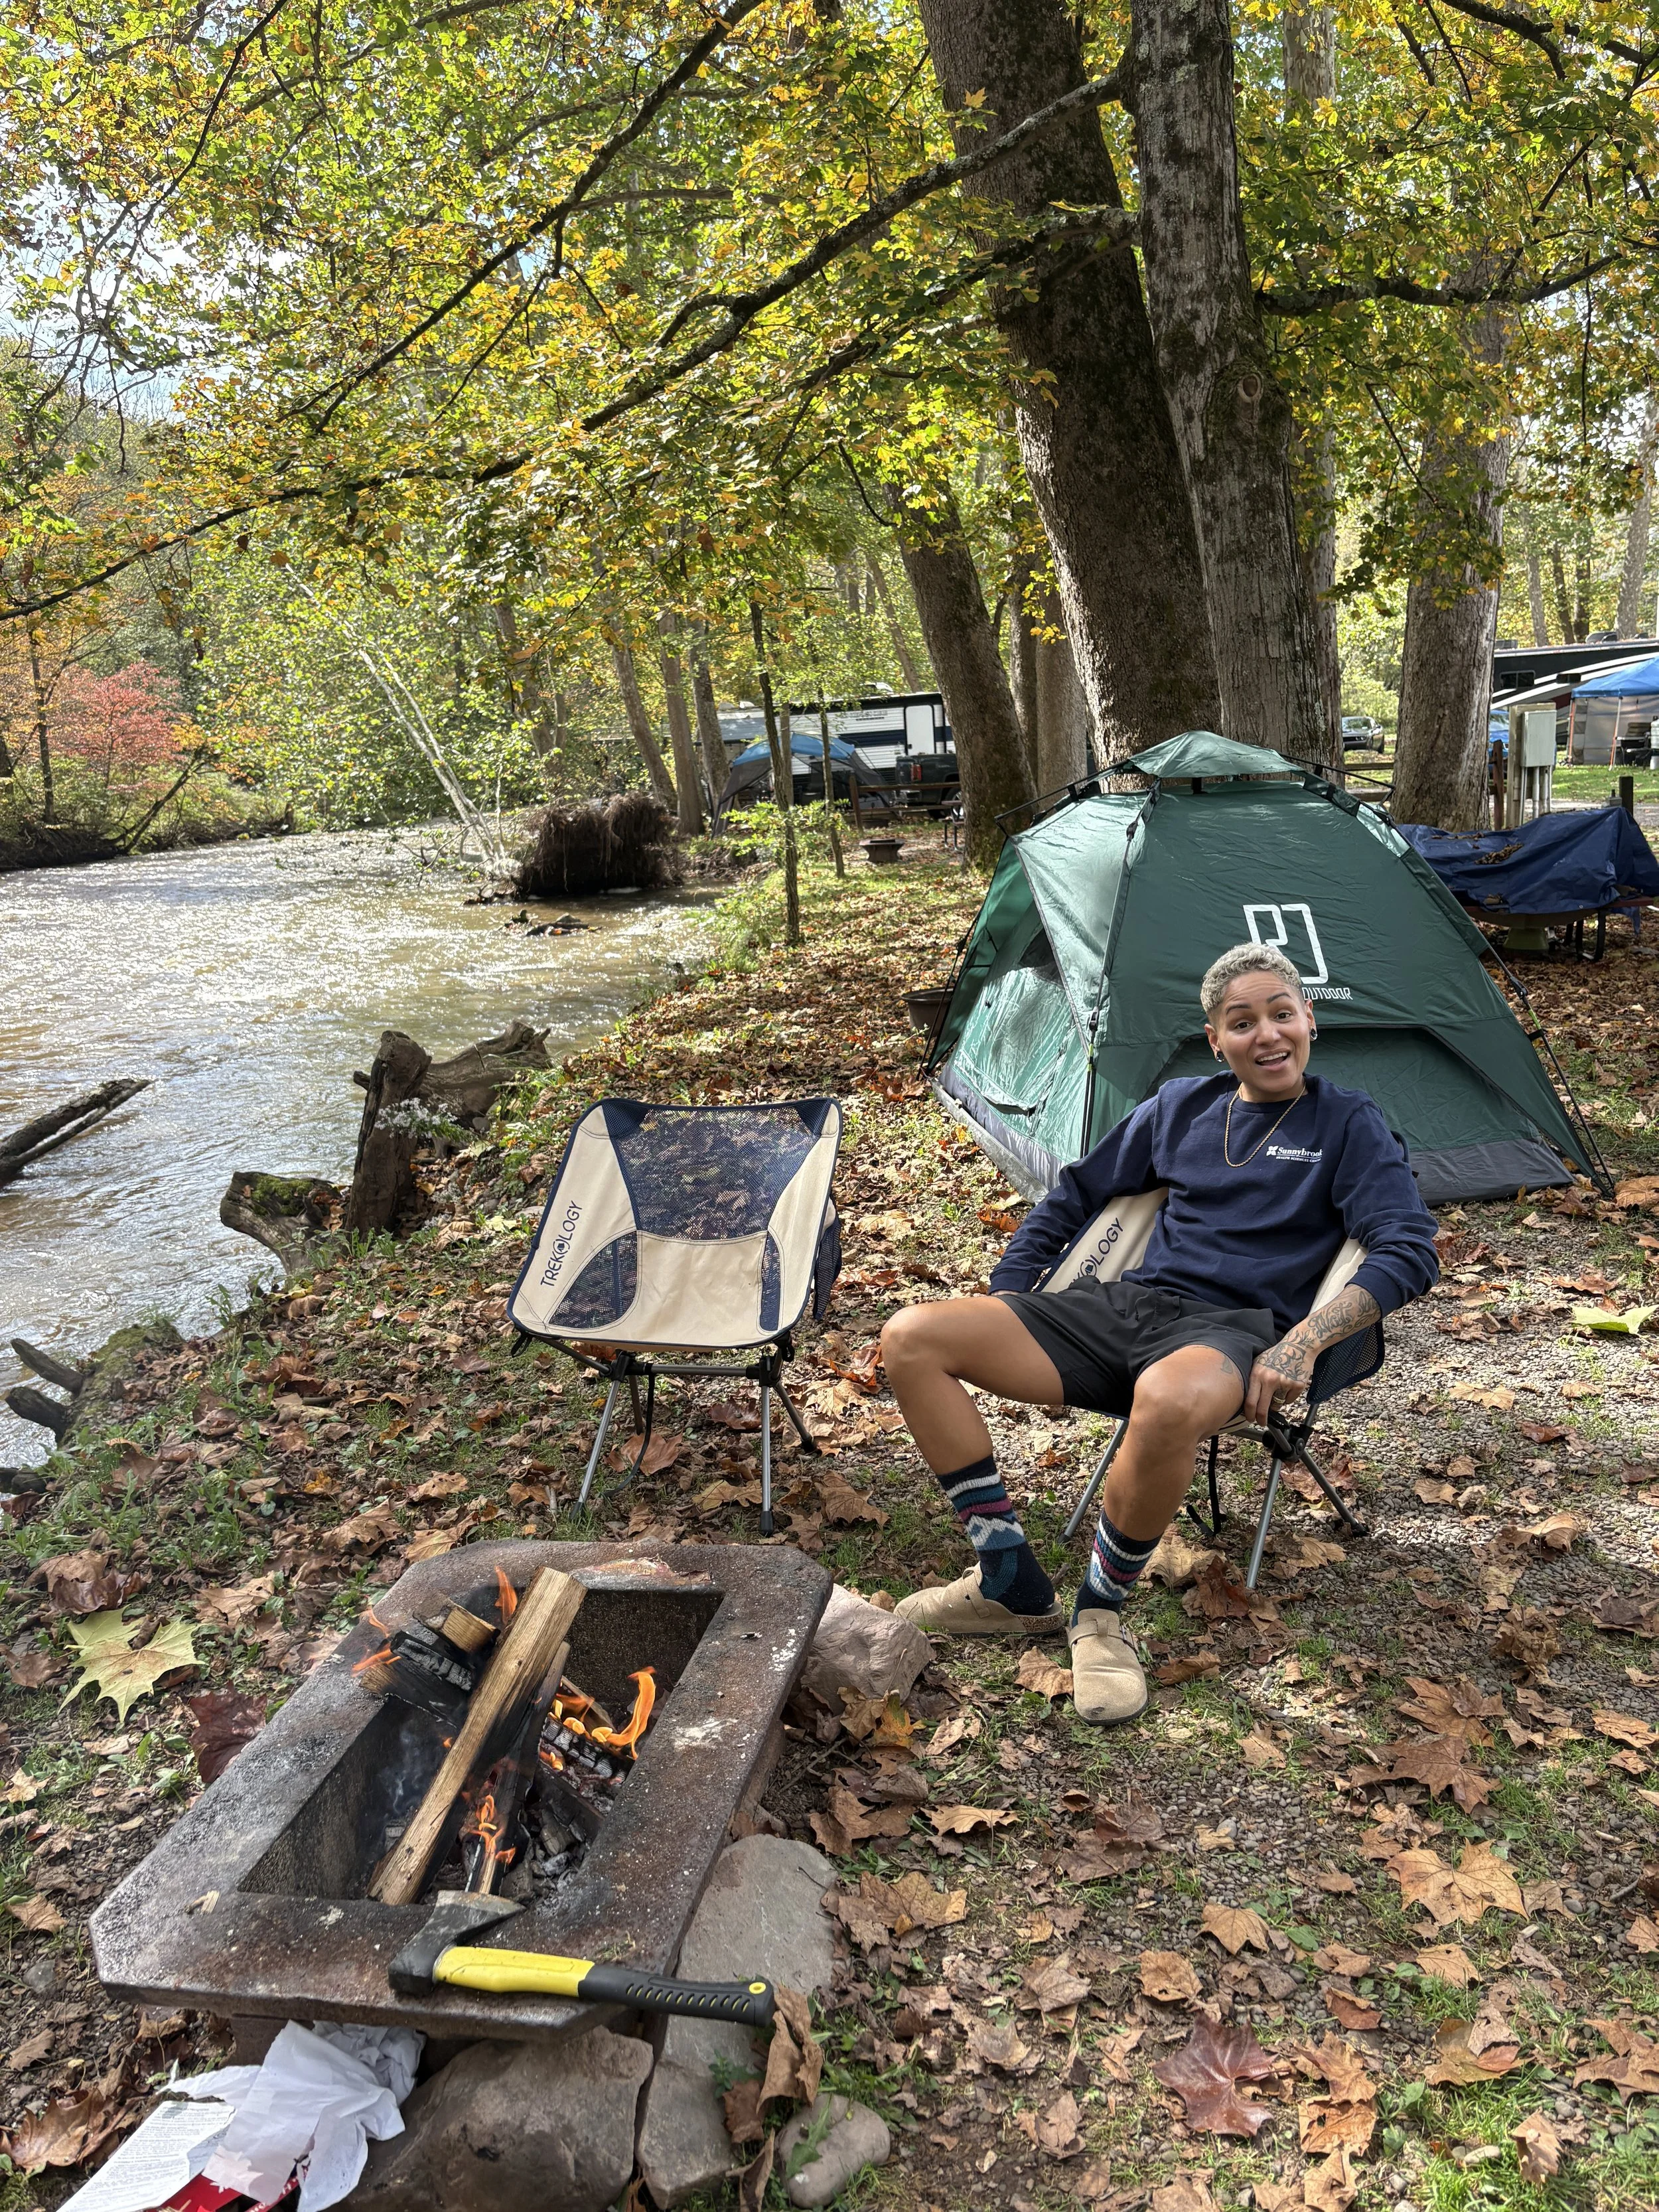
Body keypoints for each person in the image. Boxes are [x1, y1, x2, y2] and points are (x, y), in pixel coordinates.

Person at [882, 941, 1439, 1726]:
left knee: (1170, 1400)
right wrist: (1012, 1297)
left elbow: (1407, 1251)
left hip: (1237, 1332)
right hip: (1128, 1307)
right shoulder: (1178, 1106)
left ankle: (1100, 1614)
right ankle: (1007, 1578)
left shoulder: (1347, 1122)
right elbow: (1073, 1197)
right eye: (1241, 1022)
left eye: (1282, 1013)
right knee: (912, 1336)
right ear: (1216, 1040)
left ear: (1309, 1019)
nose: (1267, 1035)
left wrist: (1303, 1341)